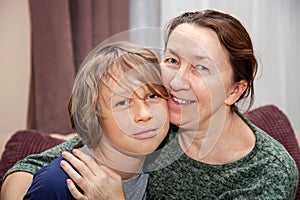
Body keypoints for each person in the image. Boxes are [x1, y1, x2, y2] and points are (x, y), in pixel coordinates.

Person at [1, 9, 298, 199]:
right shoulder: (158, 122)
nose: (177, 81)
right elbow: (36, 164)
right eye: (172, 61)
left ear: (235, 91)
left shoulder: (265, 173)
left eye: (201, 68)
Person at [12, 41, 170, 199]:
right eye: (123, 102)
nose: (144, 114)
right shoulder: (59, 184)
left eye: (152, 96)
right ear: (93, 115)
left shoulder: (163, 174)